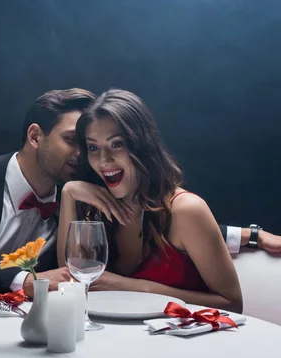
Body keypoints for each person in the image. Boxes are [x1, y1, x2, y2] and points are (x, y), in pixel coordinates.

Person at [0, 88, 277, 299]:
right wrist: (21, 282)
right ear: (36, 137)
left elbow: (161, 216)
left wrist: (250, 234)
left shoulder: (87, 199)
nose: (90, 158)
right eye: (80, 143)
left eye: (105, 145)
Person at [57, 89, 243, 312]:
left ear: (142, 145)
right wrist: (68, 194)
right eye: (94, 148)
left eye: (116, 144)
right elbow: (72, 281)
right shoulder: (96, 207)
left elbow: (232, 304)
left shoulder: (185, 210)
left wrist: (133, 287)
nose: (104, 160)